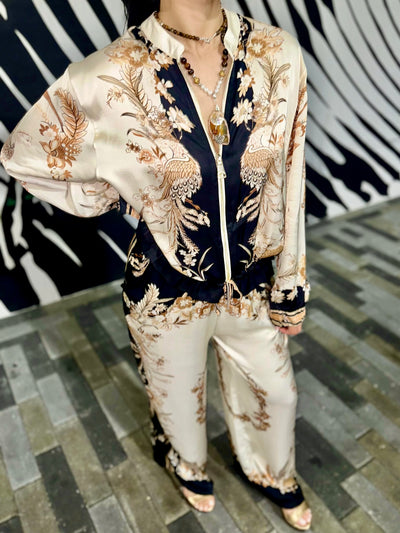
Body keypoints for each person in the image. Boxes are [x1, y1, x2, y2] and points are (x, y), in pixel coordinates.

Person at [1, 0, 312, 529]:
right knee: (177, 404)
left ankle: (273, 472)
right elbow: (24, 156)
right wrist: (124, 195)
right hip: (164, 293)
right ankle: (185, 464)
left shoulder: (277, 53)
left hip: (253, 285)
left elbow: (291, 171)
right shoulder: (106, 74)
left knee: (278, 395)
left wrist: (290, 283)